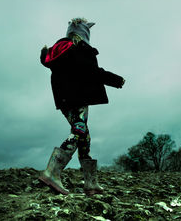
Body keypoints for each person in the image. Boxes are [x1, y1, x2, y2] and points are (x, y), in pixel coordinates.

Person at [38, 17, 125, 195]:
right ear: (84, 34)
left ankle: (91, 183)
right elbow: (92, 72)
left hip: (64, 100)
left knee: (83, 134)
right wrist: (116, 80)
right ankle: (52, 172)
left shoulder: (59, 50)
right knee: (79, 132)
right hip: (78, 97)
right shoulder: (80, 48)